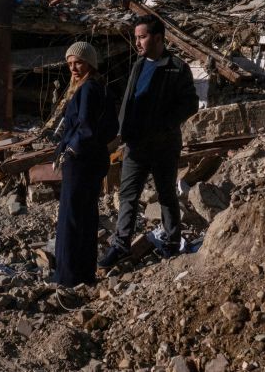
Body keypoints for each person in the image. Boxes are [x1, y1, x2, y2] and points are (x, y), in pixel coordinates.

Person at [99, 14, 199, 268]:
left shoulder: (177, 67)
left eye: (142, 37)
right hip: (135, 145)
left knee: (166, 195)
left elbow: (190, 103)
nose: (138, 43)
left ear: (158, 38)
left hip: (163, 146)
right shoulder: (138, 66)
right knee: (128, 196)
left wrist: (163, 125)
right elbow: (129, 101)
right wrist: (120, 132)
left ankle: (171, 243)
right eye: (136, 38)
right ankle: (120, 246)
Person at [53, 41, 119, 287]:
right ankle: (84, 274)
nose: (73, 68)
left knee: (71, 218)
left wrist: (70, 149)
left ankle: (67, 277)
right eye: (70, 63)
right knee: (85, 216)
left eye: (78, 62)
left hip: (80, 162)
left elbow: (85, 127)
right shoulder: (98, 88)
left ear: (90, 63)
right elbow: (110, 128)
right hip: (92, 161)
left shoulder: (88, 89)